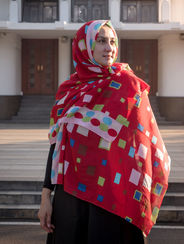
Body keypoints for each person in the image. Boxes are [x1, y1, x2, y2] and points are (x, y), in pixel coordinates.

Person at [38, 20, 170, 244]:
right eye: (100, 41)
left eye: (112, 42)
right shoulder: (69, 91)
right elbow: (57, 147)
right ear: (84, 46)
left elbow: (142, 142)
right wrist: (45, 197)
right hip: (70, 195)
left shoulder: (128, 86)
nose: (109, 48)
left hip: (111, 195)